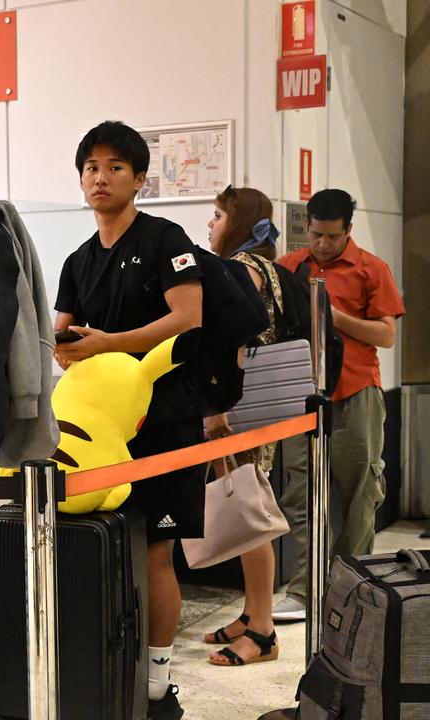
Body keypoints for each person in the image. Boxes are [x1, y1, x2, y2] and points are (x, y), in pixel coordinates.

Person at [53, 121, 204, 720]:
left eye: (115, 166)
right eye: (91, 166)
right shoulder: (76, 259)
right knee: (96, 550)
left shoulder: (167, 238)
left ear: (140, 178)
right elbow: (62, 331)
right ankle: (104, 672)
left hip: (165, 422)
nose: (100, 176)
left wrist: (113, 343)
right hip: (97, 434)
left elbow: (188, 316)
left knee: (156, 551)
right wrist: (62, 347)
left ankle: (158, 685)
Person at [272, 188, 405, 622]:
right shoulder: (289, 268)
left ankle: (354, 588)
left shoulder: (372, 269)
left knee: (359, 494)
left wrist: (334, 315)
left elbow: (386, 335)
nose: (323, 244)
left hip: (356, 393)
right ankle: (302, 588)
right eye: (315, 235)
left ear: (349, 229)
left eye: (331, 236)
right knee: (299, 493)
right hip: (300, 397)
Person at [200, 186, 284, 666]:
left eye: (216, 216)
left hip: (239, 409)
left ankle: (265, 633)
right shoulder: (266, 266)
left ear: (237, 222)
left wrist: (216, 406)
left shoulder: (242, 269)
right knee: (248, 506)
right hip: (258, 406)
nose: (210, 225)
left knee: (250, 515)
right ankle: (253, 614)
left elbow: (231, 337)